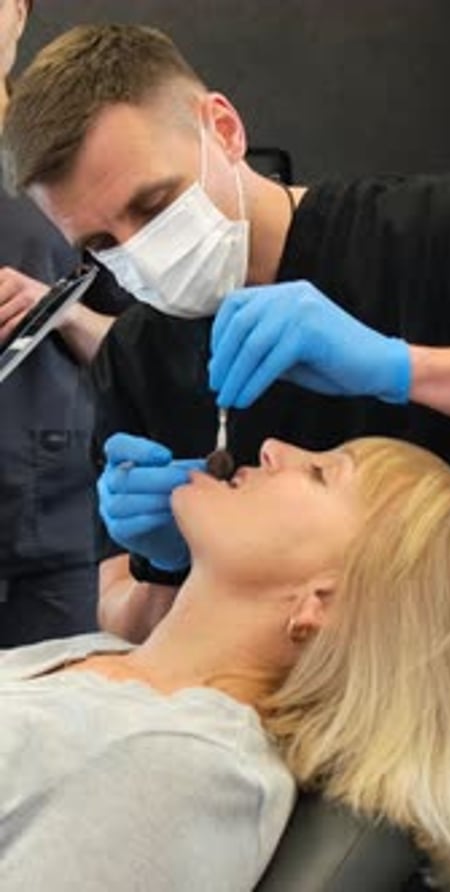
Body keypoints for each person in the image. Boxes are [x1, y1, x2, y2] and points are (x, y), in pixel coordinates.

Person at [3, 24, 450, 639]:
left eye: (156, 206)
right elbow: (127, 626)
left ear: (225, 129)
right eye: (102, 244)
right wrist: (161, 561)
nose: (143, 253)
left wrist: (405, 368)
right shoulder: (138, 357)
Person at [0, 434, 450, 891]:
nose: (271, 448)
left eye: (320, 474)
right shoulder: (108, 664)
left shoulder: (173, 765)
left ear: (322, 601)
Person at [0, 6, 134, 645]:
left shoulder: (77, 145)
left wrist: (57, 310)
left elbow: (148, 348)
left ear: (19, 10)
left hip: (62, 522)